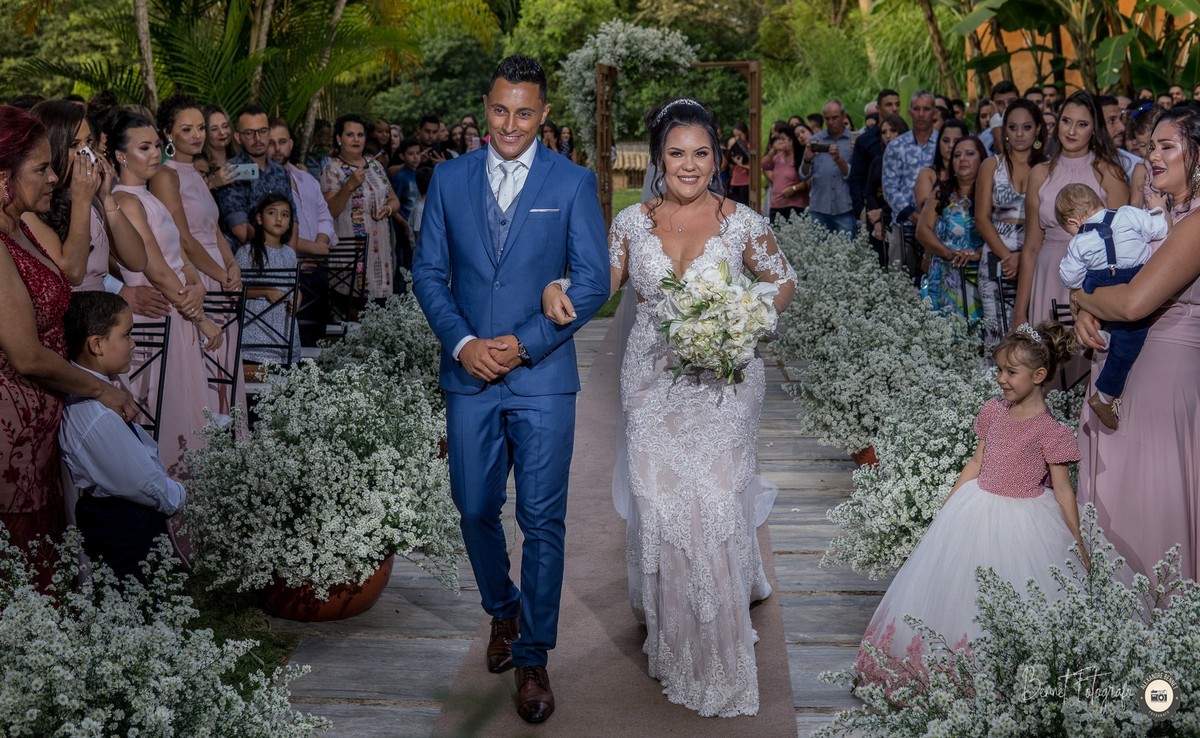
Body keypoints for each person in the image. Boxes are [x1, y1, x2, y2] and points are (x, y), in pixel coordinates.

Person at [543, 97, 796, 717]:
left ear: (718, 157)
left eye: (701, 153)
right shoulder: (632, 222)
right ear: (658, 158)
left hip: (726, 383)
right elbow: (602, 282)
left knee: (711, 501)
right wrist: (556, 284)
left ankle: (715, 649)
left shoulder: (743, 223)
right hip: (653, 382)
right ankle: (672, 629)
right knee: (660, 506)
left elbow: (782, 281)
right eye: (676, 153)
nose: (689, 165)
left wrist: (745, 319)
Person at [411, 55, 609, 725]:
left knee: (542, 520)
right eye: (500, 110)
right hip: (467, 372)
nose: (511, 124)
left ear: (544, 115)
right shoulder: (449, 178)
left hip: (544, 377)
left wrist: (523, 343)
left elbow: (590, 281)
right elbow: (429, 274)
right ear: (485, 107)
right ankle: (502, 607)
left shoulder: (573, 181)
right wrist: (466, 345)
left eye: (525, 113)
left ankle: (532, 655)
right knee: (472, 506)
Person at [856, 322, 1086, 689]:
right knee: (956, 592)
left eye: (1011, 372)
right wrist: (948, 507)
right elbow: (977, 463)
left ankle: (1000, 678)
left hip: (1023, 524)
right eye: (999, 370)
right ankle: (939, 673)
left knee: (1013, 598)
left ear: (1039, 375)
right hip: (975, 510)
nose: (1001, 379)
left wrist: (1077, 541)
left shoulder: (1050, 431)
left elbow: (1063, 491)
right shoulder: (994, 411)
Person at [0, 105, 136, 558]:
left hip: (41, 425)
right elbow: (26, 355)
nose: (56, 176)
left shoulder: (20, 229)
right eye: (41, 169)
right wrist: (101, 390)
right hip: (10, 435)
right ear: (4, 176)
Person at [1073, 104, 1200, 582]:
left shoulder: (1198, 223)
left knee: (1151, 502)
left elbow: (1132, 305)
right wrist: (1084, 305)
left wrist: (1082, 296)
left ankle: (1158, 622)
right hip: (1125, 370)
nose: (1154, 157)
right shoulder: (1149, 216)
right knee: (1118, 499)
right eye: (1151, 148)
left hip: (1165, 382)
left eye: (1168, 147)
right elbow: (1109, 281)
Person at [105, 109, 224, 476]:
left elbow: (178, 255)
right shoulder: (125, 200)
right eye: (144, 148)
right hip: (155, 312)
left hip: (179, 306)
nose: (155, 154)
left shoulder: (148, 195)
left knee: (188, 409)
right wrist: (201, 320)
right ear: (121, 156)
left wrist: (196, 286)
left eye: (157, 146)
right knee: (167, 411)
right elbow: (154, 268)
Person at [59, 291, 185, 581]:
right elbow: (144, 484)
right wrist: (178, 496)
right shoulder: (97, 415)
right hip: (125, 527)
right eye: (127, 335)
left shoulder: (101, 396)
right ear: (97, 344)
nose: (134, 342)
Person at [152, 94, 245, 417]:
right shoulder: (166, 175)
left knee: (226, 362)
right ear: (167, 133)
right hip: (197, 274)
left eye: (200, 128)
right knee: (208, 360)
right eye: (187, 129)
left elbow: (214, 228)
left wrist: (232, 265)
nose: (197, 135)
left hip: (220, 273)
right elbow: (184, 240)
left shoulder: (196, 173)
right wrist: (221, 275)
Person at [1015, 91, 1129, 335]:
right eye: (1066, 121)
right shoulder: (1040, 173)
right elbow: (1031, 248)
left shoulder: (1110, 174)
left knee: (1085, 365)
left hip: (1093, 281)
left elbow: (1121, 247)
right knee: (1047, 361)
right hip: (1048, 274)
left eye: (1082, 124)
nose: (1072, 131)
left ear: (1094, 129)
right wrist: (1019, 312)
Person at [1055, 183, 1166, 429]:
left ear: (1074, 222)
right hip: (1133, 277)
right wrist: (1158, 210)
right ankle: (1105, 395)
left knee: (1092, 287)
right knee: (1131, 338)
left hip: (1100, 282)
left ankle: (1104, 340)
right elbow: (1159, 229)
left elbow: (1070, 278)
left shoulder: (1079, 241)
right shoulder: (1126, 213)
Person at [25, 99, 146, 293]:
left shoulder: (90, 198)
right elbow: (72, 273)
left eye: (89, 142)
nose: (87, 153)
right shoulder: (31, 207)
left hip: (102, 311)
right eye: (74, 145)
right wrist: (81, 200)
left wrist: (106, 198)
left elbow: (137, 261)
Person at [976, 99, 1047, 348]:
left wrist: (1023, 258)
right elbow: (981, 218)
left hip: (1037, 257)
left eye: (1026, 127)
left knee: (1032, 334)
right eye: (1013, 127)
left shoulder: (1049, 167)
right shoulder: (990, 166)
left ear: (1038, 129)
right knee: (996, 335)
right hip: (997, 258)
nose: (1019, 134)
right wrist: (1009, 256)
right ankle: (991, 387)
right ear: (1004, 129)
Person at [267, 118, 336, 347]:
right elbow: (272, 229)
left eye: (282, 142)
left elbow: (324, 214)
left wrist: (322, 242)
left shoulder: (306, 179)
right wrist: (312, 247)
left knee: (318, 338)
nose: (277, 148)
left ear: (291, 144)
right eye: (271, 142)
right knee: (294, 340)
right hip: (288, 269)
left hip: (317, 269)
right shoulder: (265, 182)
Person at [322, 114, 401, 301]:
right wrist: (349, 185)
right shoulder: (332, 169)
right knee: (354, 315)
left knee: (381, 313)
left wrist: (387, 210)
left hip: (381, 255)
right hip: (351, 257)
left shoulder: (374, 165)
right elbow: (331, 211)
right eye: (350, 134)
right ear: (339, 139)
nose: (356, 139)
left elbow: (395, 200)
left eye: (360, 135)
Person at [917, 136, 986, 322]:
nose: (962, 159)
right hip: (944, 272)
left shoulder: (990, 193)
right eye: (957, 155)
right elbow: (922, 230)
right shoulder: (941, 193)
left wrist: (978, 253)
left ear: (982, 159)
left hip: (979, 274)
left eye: (969, 154)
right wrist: (948, 253)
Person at [212, 103, 296, 247]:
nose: (258, 139)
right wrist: (273, 252)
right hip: (247, 261)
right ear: (238, 137)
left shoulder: (280, 172)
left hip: (282, 259)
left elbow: (293, 220)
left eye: (263, 131)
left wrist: (289, 259)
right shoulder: (230, 172)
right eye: (250, 133)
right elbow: (240, 229)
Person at [236, 194, 301, 367]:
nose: (279, 218)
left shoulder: (290, 253)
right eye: (272, 213)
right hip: (256, 335)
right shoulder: (247, 252)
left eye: (285, 215)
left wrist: (297, 298)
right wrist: (266, 291)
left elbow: (295, 287)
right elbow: (236, 290)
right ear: (259, 218)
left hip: (285, 332)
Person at [883, 90, 939, 281]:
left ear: (934, 112)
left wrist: (929, 220)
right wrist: (914, 217)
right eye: (917, 109)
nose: (921, 114)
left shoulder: (944, 143)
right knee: (900, 287)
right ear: (910, 112)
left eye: (926, 109)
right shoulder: (896, 146)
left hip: (939, 228)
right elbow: (889, 188)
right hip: (904, 226)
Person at [801, 99, 854, 235]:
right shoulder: (815, 140)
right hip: (819, 207)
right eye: (827, 119)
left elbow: (855, 175)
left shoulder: (853, 141)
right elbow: (803, 174)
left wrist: (838, 159)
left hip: (844, 207)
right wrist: (808, 158)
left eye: (835, 118)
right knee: (818, 252)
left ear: (843, 116)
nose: (831, 122)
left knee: (846, 252)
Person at [849, 88, 900, 218]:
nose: (894, 108)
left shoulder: (908, 138)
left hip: (903, 208)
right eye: (889, 105)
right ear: (878, 108)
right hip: (873, 206)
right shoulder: (865, 140)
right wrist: (861, 209)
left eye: (897, 104)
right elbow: (856, 178)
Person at [865, 115, 907, 267]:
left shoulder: (910, 161)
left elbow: (906, 194)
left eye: (893, 131)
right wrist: (876, 219)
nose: (888, 136)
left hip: (899, 218)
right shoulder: (877, 161)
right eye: (883, 132)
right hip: (875, 220)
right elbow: (868, 191)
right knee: (879, 265)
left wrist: (882, 213)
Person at [913, 119, 967, 219]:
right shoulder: (927, 174)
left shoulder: (971, 174)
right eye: (946, 141)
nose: (951, 145)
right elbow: (924, 211)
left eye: (956, 141)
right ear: (939, 143)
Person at [761, 128, 808, 222]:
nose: (780, 142)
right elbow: (764, 165)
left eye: (783, 139)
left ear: (791, 141)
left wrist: (794, 188)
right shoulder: (777, 157)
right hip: (776, 204)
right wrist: (773, 151)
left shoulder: (799, 157)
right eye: (779, 139)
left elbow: (808, 179)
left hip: (794, 205)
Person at [199, 104, 237, 189]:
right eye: (214, 129)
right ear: (205, 133)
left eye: (225, 126)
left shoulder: (241, 157)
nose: (222, 133)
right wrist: (213, 183)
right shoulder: (199, 166)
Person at [726, 122, 751, 205]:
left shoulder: (749, 146)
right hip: (735, 181)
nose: (737, 138)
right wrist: (729, 148)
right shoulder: (735, 145)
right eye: (735, 136)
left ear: (745, 133)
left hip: (746, 182)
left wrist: (741, 165)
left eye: (739, 136)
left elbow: (754, 168)